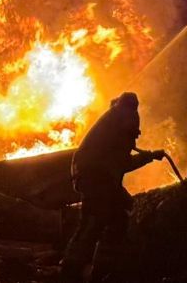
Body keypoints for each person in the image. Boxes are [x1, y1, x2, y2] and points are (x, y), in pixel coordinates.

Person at [60, 92, 165, 283]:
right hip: (96, 176)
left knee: (118, 214)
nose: (136, 134)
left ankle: (101, 269)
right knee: (93, 222)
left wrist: (148, 156)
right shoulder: (126, 118)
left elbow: (117, 162)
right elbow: (123, 162)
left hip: (96, 175)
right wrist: (149, 156)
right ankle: (72, 271)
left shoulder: (114, 119)